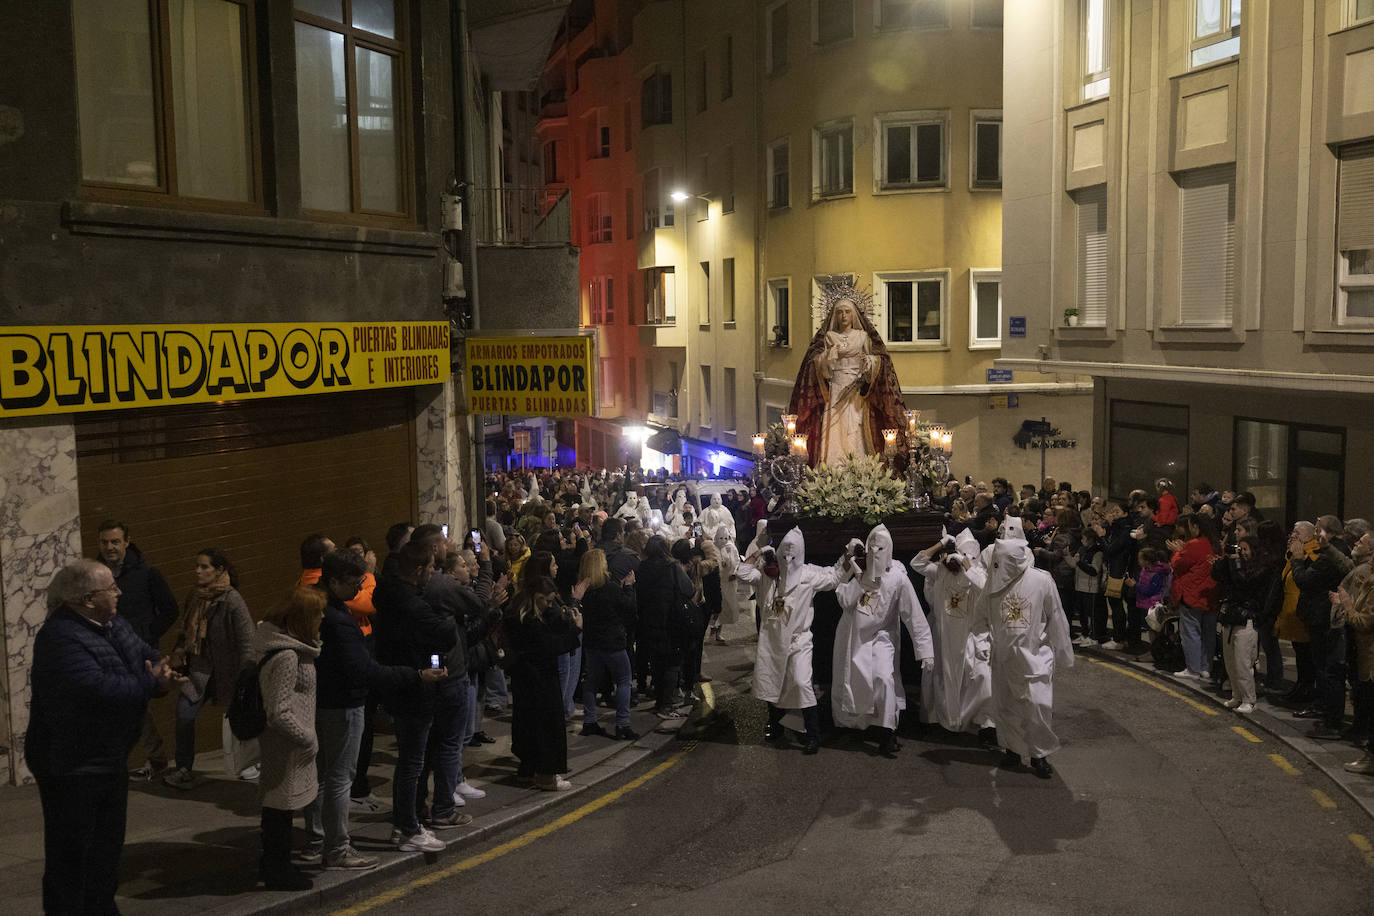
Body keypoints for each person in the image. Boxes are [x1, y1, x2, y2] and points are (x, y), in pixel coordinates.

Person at [27, 559, 182, 914]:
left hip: (108, 758)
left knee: (106, 851)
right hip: (71, 765)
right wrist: (150, 681)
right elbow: (99, 689)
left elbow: (145, 656)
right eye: (111, 588)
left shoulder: (112, 623)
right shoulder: (60, 637)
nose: (119, 591)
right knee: (71, 857)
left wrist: (160, 675)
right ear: (86, 599)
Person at [303, 550, 446, 871]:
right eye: (353, 583)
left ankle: (318, 840)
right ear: (335, 580)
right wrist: (416, 675)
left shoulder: (322, 606)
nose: (358, 590)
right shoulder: (337, 620)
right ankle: (337, 847)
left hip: (327, 701)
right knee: (340, 777)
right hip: (343, 704)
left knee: (324, 775)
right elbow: (363, 669)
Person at [975, 517, 1075, 778]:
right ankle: (1013, 750)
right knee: (1005, 707)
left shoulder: (1041, 580)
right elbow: (980, 619)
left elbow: (1056, 617)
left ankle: (1039, 753)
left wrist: (1063, 654)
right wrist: (982, 643)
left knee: (1037, 706)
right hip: (1004, 657)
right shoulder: (993, 585)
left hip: (1035, 657)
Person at [372, 542, 455, 851]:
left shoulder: (389, 596)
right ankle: (407, 828)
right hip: (415, 686)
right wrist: (447, 615)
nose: (434, 573)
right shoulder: (414, 605)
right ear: (419, 570)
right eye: (431, 567)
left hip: (401, 683)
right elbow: (444, 633)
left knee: (409, 760)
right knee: (412, 763)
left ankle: (404, 823)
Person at [736, 527, 842, 754]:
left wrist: (848, 556)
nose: (787, 561)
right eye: (783, 556)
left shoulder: (808, 575)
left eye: (792, 557)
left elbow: (834, 577)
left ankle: (813, 734)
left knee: (802, 683)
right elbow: (742, 574)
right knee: (772, 683)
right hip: (772, 641)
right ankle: (775, 726)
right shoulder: (767, 576)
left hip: (798, 641)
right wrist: (759, 554)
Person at [832, 525, 933, 757]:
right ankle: (857, 724)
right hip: (854, 637)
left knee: (883, 678)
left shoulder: (897, 578)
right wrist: (860, 577)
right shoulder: (859, 574)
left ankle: (887, 731)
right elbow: (845, 600)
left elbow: (913, 614)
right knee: (854, 679)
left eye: (880, 548)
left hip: (881, 637)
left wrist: (925, 650)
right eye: (872, 548)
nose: (875, 552)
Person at [96, 519, 179, 780]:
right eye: (105, 542)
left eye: (115, 541)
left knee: (134, 705)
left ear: (127, 542)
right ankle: (154, 761)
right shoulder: (95, 574)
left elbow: (170, 609)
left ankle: (155, 760)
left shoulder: (146, 572)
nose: (109, 547)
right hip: (106, 651)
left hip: (136, 652)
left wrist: (147, 635)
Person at [164, 548, 254, 789]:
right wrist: (178, 652)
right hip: (199, 671)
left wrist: (246, 675)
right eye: (197, 566)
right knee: (184, 715)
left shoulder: (232, 600)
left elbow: (247, 640)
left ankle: (251, 764)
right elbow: (185, 629)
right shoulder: (196, 596)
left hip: (228, 672)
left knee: (241, 719)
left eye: (205, 567)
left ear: (220, 570)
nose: (198, 571)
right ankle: (184, 768)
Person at [788, 286, 907, 468]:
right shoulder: (829, 337)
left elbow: (879, 360)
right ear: (835, 316)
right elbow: (815, 363)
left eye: (847, 312)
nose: (843, 316)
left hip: (857, 391)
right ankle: (833, 466)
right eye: (840, 312)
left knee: (856, 427)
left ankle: (858, 466)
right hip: (836, 389)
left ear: (854, 315)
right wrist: (827, 359)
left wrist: (869, 362)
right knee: (834, 428)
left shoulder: (862, 337)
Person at [254, 587, 324, 891]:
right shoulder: (286, 655)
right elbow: (278, 711)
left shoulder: (294, 647)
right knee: (279, 809)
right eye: (317, 613)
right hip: (287, 746)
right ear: (303, 618)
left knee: (280, 809)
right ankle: (277, 872)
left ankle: (275, 866)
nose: (322, 617)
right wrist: (306, 737)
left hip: (290, 746)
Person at [912, 529, 996, 748]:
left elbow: (989, 592)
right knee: (942, 676)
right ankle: (944, 719)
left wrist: (971, 571)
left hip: (970, 636)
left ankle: (978, 722)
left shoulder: (979, 577)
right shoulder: (941, 571)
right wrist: (940, 545)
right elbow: (917, 564)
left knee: (978, 678)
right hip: (945, 635)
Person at [508, 576, 586, 790]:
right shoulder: (530, 622)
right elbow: (550, 645)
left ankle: (527, 770)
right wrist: (576, 630)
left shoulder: (519, 614)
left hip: (524, 680)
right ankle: (546, 777)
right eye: (547, 600)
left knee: (528, 726)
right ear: (536, 597)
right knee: (546, 728)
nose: (550, 605)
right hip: (540, 680)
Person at [1212, 536, 1280, 713]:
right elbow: (1217, 575)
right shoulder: (1237, 565)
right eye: (1240, 549)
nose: (1242, 553)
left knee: (1243, 661)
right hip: (1231, 617)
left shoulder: (1262, 569)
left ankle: (1249, 699)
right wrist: (1226, 559)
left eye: (1245, 549)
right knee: (1230, 661)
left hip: (1247, 618)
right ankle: (1237, 695)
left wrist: (1235, 565)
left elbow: (1245, 584)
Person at [577, 549, 639, 740]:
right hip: (612, 642)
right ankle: (622, 724)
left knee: (591, 682)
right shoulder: (609, 588)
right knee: (623, 680)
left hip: (591, 641)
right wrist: (628, 587)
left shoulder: (583, 590)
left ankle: (589, 721)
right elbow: (628, 607)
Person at [636, 535, 696, 717]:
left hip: (648, 621)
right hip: (670, 621)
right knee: (672, 663)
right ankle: (666, 705)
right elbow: (689, 589)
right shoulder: (672, 567)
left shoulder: (642, 567)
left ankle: (659, 701)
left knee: (656, 662)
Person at [1168, 514, 1221, 681]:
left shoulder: (1194, 545)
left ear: (1196, 527)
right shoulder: (1216, 545)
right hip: (1211, 594)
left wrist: (1177, 552)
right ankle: (1206, 668)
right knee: (1209, 633)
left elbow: (1178, 565)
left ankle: (1193, 669)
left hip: (1192, 594)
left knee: (1191, 633)